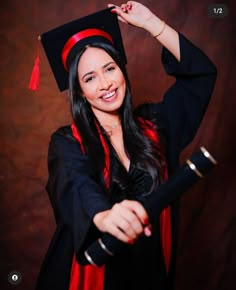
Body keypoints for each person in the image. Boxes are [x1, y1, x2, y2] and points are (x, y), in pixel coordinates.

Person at [35, 1, 217, 290]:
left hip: (150, 274)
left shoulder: (156, 126)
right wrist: (104, 215)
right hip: (91, 275)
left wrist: (151, 23)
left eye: (110, 68)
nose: (105, 83)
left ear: (122, 69)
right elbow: (76, 184)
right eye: (90, 78)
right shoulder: (67, 142)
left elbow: (201, 75)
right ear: (80, 92)